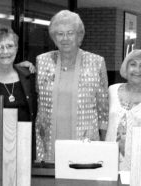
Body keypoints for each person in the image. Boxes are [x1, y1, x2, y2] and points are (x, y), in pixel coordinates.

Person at [35, 10, 109, 162]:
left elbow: (103, 107)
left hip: (85, 139)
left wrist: (103, 142)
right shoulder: (42, 61)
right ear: (54, 37)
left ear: (79, 36)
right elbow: (35, 95)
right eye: (60, 34)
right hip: (48, 139)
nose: (65, 38)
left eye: (70, 33)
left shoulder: (96, 62)